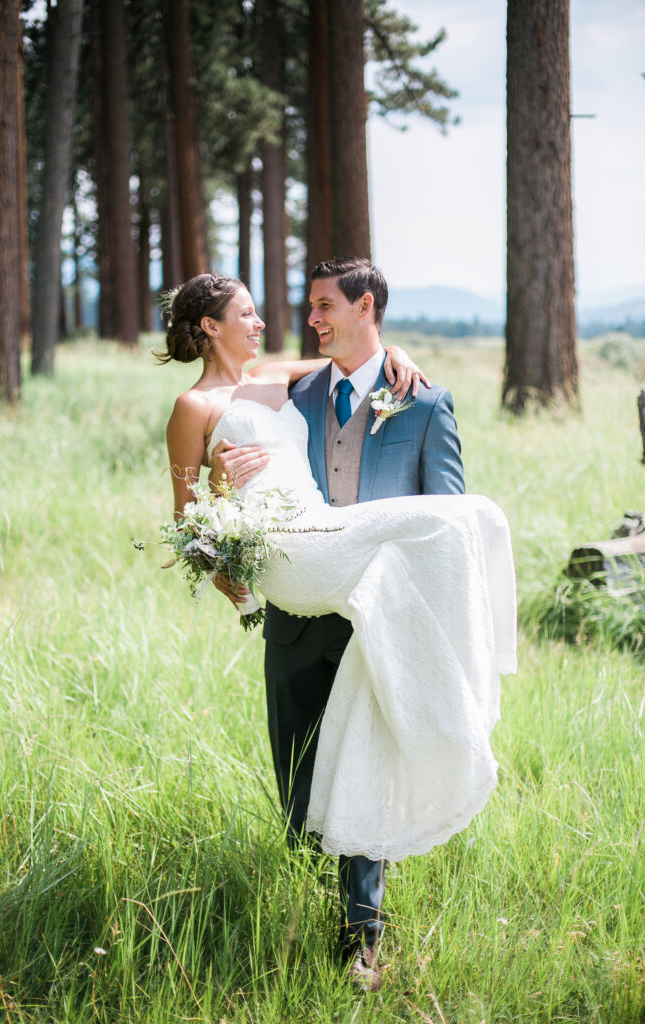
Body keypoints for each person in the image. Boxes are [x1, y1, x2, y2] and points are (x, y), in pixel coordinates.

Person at [163, 262, 517, 993]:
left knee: (466, 517)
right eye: (249, 313)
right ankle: (302, 914)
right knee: (300, 788)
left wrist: (399, 357)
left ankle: (362, 935)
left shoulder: (359, 393)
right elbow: (188, 515)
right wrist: (228, 504)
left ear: (361, 307)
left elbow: (366, 363)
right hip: (299, 591)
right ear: (211, 325)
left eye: (322, 306)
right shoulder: (209, 402)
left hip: (371, 593)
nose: (278, 321)